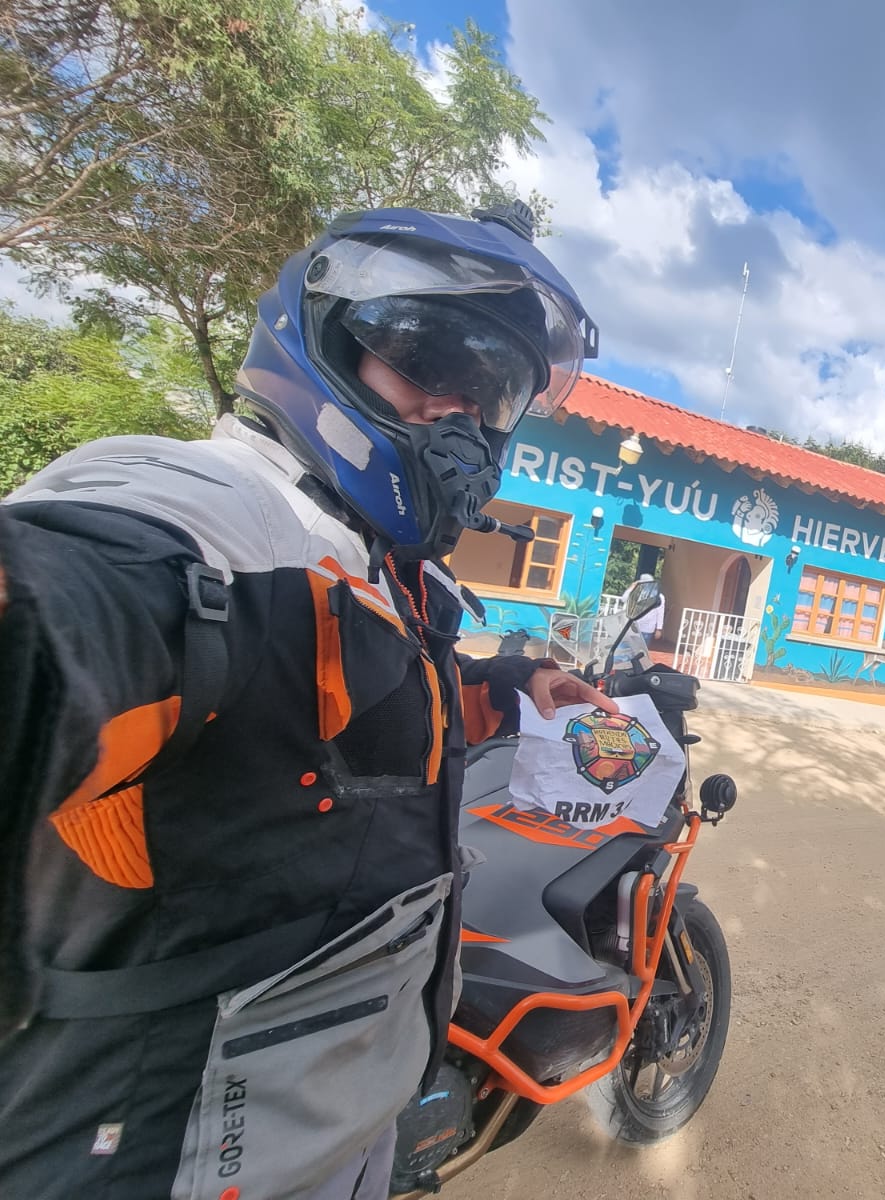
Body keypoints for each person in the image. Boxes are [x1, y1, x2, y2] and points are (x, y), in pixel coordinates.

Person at [0, 202, 616, 1198]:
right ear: (321, 341)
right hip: (162, 1154)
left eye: (491, 391)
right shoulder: (227, 519)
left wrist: (517, 685)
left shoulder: (377, 574)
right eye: (429, 360)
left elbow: (380, 717)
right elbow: (80, 604)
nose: (458, 415)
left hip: (334, 1127)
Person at [632, 571, 667, 643]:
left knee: (642, 652)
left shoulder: (659, 596)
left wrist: (659, 629)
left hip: (647, 629)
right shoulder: (638, 593)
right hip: (634, 626)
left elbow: (660, 613)